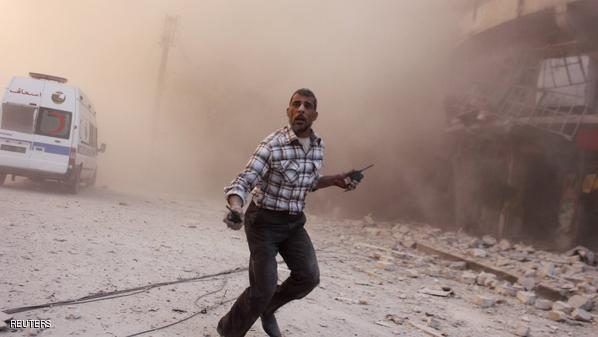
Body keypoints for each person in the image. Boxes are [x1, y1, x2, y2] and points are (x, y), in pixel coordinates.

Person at [217, 88, 361, 337]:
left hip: (293, 223)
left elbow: (308, 181)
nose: (301, 109)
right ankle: (228, 330)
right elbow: (243, 181)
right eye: (296, 104)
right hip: (263, 222)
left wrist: (335, 180)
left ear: (315, 115)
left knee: (309, 276)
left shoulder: (317, 145)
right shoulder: (271, 145)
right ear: (288, 111)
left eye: (307, 105)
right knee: (263, 286)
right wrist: (236, 208)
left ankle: (269, 308)